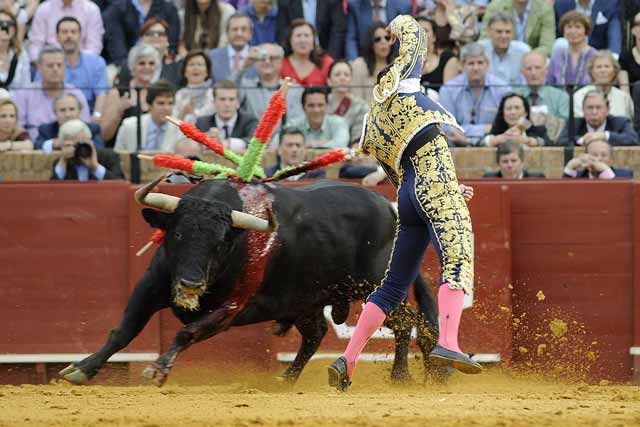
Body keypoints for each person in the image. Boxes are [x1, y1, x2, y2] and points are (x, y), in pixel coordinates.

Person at [328, 15, 481, 393]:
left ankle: (347, 359)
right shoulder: (404, 86)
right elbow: (416, 38)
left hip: (410, 195)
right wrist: (399, 23)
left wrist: (447, 188)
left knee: (393, 286)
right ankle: (448, 343)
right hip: (432, 186)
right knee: (458, 258)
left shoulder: (373, 125)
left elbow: (401, 175)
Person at [439, 42, 512, 146]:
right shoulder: (448, 89)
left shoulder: (502, 88)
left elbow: (507, 126)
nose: (476, 68)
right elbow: (446, 127)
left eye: (480, 63)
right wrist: (486, 128)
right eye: (471, 63)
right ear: (462, 65)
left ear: (487, 64)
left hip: (494, 146)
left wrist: (466, 134)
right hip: (457, 146)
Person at [13, 46, 91, 141]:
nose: (55, 69)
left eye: (59, 65)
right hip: (34, 150)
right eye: (50, 66)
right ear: (39, 68)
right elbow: (17, 129)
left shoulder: (76, 93)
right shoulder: (24, 94)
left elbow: (85, 126)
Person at [236, 43, 304, 135]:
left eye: (273, 58)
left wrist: (278, 140)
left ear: (281, 61)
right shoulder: (246, 86)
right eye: (262, 58)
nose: (267, 61)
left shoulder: (294, 89)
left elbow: (297, 120)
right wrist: (244, 66)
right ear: (255, 62)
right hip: (252, 142)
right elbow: (227, 90)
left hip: (283, 143)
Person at [101, 43, 161, 144]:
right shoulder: (117, 93)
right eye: (141, 63)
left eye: (151, 63)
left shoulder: (159, 92)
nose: (147, 67)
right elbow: (104, 134)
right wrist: (119, 111)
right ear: (132, 67)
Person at [55, 16, 108, 116]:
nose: (69, 36)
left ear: (80, 35)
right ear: (57, 36)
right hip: (57, 116)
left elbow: (101, 95)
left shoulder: (96, 62)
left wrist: (96, 117)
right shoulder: (48, 63)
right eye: (64, 32)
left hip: (89, 117)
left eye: (73, 32)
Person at [101, 0, 180, 66]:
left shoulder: (169, 9)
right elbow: (116, 46)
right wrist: (127, 68)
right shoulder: (116, 9)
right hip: (125, 65)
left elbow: (171, 44)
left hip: (162, 64)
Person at [115, 80, 181, 152]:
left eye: (170, 103)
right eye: (161, 103)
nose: (166, 108)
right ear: (149, 105)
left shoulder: (180, 131)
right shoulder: (129, 126)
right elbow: (118, 157)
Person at [517, 51, 569, 142]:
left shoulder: (561, 97)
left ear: (546, 71)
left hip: (552, 146)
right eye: (529, 69)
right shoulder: (515, 97)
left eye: (538, 68)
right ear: (522, 72)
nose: (533, 73)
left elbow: (565, 129)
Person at [195, 79, 258, 153]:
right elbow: (191, 146)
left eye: (231, 99)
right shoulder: (202, 123)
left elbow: (255, 143)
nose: (227, 104)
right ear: (214, 102)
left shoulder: (250, 121)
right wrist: (204, 140)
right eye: (222, 99)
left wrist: (227, 143)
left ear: (238, 103)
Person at [115, 18, 182, 88]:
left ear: (167, 39)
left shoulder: (177, 65)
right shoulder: (128, 65)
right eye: (150, 33)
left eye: (161, 34)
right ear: (141, 39)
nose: (156, 36)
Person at [28, 0, 104, 60]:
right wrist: (47, 62)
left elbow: (94, 48)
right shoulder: (44, 9)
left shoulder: (92, 10)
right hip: (49, 65)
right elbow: (35, 46)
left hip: (83, 66)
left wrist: (75, 62)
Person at [51, 119, 124, 181]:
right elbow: (51, 191)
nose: (78, 149)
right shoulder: (61, 162)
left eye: (81, 144)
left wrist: (95, 167)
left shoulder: (108, 156)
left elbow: (120, 185)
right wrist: (63, 161)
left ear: (90, 141)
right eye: (73, 145)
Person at [558, 90, 638, 146]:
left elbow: (633, 139)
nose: (594, 112)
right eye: (590, 108)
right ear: (583, 110)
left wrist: (605, 136)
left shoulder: (620, 122)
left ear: (607, 110)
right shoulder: (574, 123)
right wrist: (583, 140)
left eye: (598, 107)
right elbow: (561, 141)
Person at [480, 0, 555, 57]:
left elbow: (547, 46)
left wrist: (527, 57)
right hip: (501, 55)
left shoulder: (545, 9)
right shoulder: (495, 6)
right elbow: (485, 38)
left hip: (531, 61)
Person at [276, 0, 347, 60]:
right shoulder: (286, 2)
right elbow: (283, 33)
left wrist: (330, 59)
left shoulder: (333, 1)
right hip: (295, 56)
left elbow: (338, 30)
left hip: (325, 53)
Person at [573, 50, 634, 119]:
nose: (603, 70)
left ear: (615, 71)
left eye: (607, 66)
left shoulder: (624, 98)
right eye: (599, 67)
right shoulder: (579, 96)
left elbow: (629, 125)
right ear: (591, 72)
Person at [345, 0, 413, 60]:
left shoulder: (404, 6)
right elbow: (351, 37)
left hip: (395, 57)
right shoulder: (355, 5)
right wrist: (353, 61)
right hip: (365, 57)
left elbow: (407, 39)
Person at [36, 92, 104, 151]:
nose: (68, 114)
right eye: (62, 110)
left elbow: (100, 149)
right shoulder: (46, 130)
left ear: (79, 111)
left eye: (72, 109)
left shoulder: (92, 129)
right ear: (55, 113)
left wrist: (87, 142)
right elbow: (36, 146)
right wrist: (54, 144)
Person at [478, 12, 530, 86]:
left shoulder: (523, 51)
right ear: (489, 32)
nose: (504, 36)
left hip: (516, 96)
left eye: (508, 32)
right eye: (499, 32)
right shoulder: (479, 50)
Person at [546, 11, 596, 87]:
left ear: (586, 30)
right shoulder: (557, 55)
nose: (573, 31)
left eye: (578, 27)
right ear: (563, 31)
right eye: (569, 27)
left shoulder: (594, 56)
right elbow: (549, 83)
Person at [554, 0, 622, 56]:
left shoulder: (609, 3)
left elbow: (614, 35)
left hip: (598, 55)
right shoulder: (562, 3)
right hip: (569, 51)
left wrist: (613, 57)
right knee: (560, 43)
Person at [481, 93, 551, 147]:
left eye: (517, 108)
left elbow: (550, 144)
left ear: (525, 113)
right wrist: (495, 140)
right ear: (503, 113)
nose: (513, 112)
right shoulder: (497, 131)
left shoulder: (538, 130)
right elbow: (479, 143)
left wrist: (529, 141)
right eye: (509, 108)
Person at [350, 22, 396, 102]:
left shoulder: (397, 65)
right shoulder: (359, 65)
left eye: (387, 38)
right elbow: (356, 99)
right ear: (371, 43)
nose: (383, 42)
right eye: (377, 39)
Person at [279, 19, 333, 86]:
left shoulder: (326, 62)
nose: (302, 40)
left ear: (314, 41)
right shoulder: (280, 64)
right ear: (289, 40)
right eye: (298, 36)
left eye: (306, 35)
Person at [208, 12, 258, 82]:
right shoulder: (212, 57)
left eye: (244, 29)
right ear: (227, 33)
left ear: (251, 34)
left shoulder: (259, 58)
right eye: (235, 29)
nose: (239, 34)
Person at [327, 60, 368, 144]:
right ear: (329, 81)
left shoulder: (361, 107)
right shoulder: (320, 103)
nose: (342, 78)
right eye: (337, 75)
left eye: (346, 75)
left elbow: (357, 139)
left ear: (351, 80)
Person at [417, 16, 460, 91]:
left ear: (434, 37)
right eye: (416, 31)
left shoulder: (447, 59)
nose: (420, 34)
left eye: (425, 30)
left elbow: (449, 95)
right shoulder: (401, 62)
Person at [173, 50, 214, 123]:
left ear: (207, 72)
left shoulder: (212, 94)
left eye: (200, 64)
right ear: (185, 72)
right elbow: (173, 123)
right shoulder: (179, 94)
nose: (196, 68)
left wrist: (193, 113)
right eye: (191, 64)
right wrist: (183, 113)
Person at [563, 139, 633, 179]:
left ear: (611, 160)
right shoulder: (578, 176)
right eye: (594, 155)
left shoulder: (625, 175)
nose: (599, 159)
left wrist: (606, 171)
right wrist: (569, 168)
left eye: (604, 155)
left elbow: (621, 195)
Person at [0, 9, 30, 90]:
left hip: (16, 101)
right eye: (1, 24)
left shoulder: (21, 54)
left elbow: (26, 85)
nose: (4, 28)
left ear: (14, 30)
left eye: (9, 24)